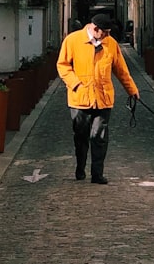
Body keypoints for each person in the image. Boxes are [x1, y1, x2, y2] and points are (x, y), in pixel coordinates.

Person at [56, 12, 139, 184]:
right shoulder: (72, 40)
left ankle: (97, 174)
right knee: (81, 137)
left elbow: (121, 70)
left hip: (103, 99)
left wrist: (132, 90)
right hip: (80, 99)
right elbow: (62, 65)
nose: (108, 36)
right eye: (105, 32)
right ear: (95, 29)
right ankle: (80, 168)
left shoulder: (111, 44)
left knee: (100, 137)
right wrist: (75, 84)